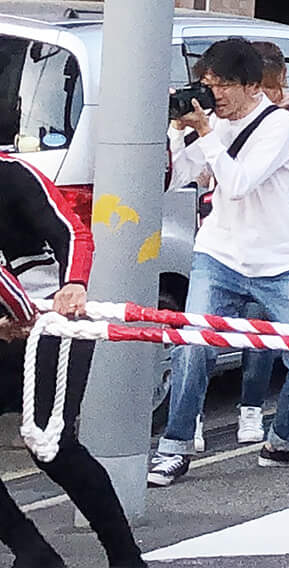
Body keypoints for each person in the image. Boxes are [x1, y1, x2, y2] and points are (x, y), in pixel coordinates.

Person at [152, 38, 289, 485]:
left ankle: (283, 443)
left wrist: (208, 136)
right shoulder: (208, 122)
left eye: (223, 85)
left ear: (253, 86)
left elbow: (238, 183)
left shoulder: (277, 126)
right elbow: (175, 180)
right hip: (219, 254)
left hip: (279, 260)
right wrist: (178, 132)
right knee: (194, 348)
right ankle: (173, 447)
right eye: (207, 83)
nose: (214, 94)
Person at [0, 149, 144, 568]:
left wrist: (74, 283)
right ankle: (32, 552)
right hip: (9, 322)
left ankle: (126, 558)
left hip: (56, 315)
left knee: (50, 445)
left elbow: (73, 233)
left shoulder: (12, 174)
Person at [229, 41, 289, 445]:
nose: (260, 94)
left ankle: (252, 410)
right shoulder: (231, 113)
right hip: (225, 232)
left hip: (274, 237)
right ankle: (187, 423)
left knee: (263, 328)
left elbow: (256, 171)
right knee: (198, 336)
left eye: (266, 86)